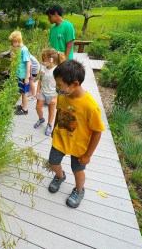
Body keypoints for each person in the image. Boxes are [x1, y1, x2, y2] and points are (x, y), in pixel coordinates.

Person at [47, 60, 105, 208]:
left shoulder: (90, 106)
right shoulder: (63, 95)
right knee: (53, 162)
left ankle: (79, 190)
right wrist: (54, 128)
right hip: (61, 139)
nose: (57, 88)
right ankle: (60, 176)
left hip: (79, 146)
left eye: (59, 85)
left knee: (77, 171)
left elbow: (97, 132)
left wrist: (88, 155)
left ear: (75, 84)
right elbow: (59, 113)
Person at [34, 48, 66, 136]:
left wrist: (56, 98)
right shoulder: (43, 68)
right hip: (43, 92)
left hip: (52, 94)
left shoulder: (57, 71)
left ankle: (49, 125)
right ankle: (41, 119)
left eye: (43, 58)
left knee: (51, 110)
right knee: (37, 107)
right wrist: (37, 92)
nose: (42, 61)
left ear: (50, 60)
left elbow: (60, 86)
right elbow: (40, 80)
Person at [8, 30, 31, 115]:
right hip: (20, 75)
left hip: (23, 76)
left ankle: (25, 109)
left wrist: (26, 78)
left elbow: (28, 64)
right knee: (22, 92)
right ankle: (22, 105)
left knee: (24, 93)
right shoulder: (20, 49)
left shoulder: (24, 50)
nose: (12, 45)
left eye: (12, 43)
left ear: (16, 41)